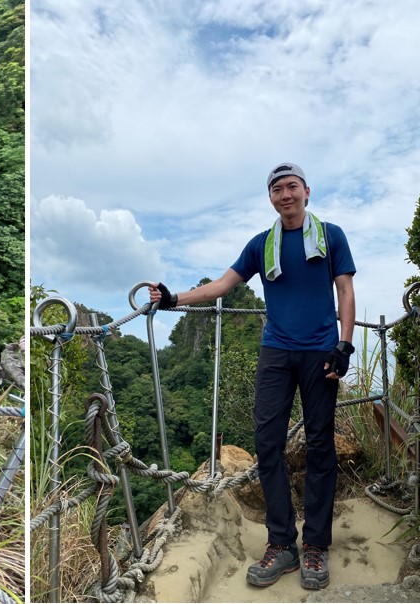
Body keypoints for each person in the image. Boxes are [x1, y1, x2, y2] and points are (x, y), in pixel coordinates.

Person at [148, 162, 355, 591]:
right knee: (267, 442)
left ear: (306, 191)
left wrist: (345, 344)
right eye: (277, 189)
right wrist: (173, 299)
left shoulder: (331, 236)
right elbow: (222, 286)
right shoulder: (261, 245)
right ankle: (282, 543)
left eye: (291, 186)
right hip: (276, 351)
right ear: (271, 198)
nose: (285, 194)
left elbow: (345, 291)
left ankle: (315, 545)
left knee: (320, 443)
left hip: (321, 351)